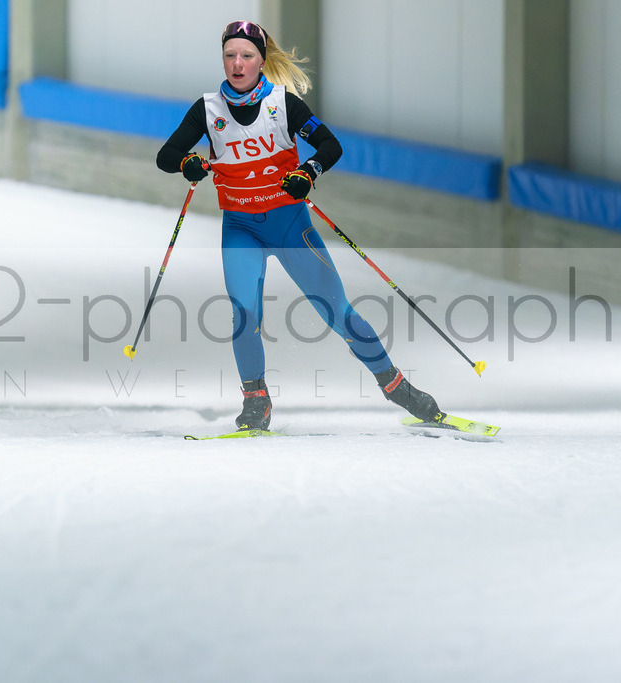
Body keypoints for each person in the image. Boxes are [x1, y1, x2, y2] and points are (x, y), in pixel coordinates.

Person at [156, 20, 445, 432]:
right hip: (241, 228)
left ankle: (397, 387)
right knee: (243, 314)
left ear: (261, 60)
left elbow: (331, 145)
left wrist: (308, 171)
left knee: (337, 312)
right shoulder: (208, 109)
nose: (237, 64)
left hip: (289, 225)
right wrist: (186, 162)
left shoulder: (282, 104)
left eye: (247, 56)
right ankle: (256, 401)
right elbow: (166, 155)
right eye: (230, 56)